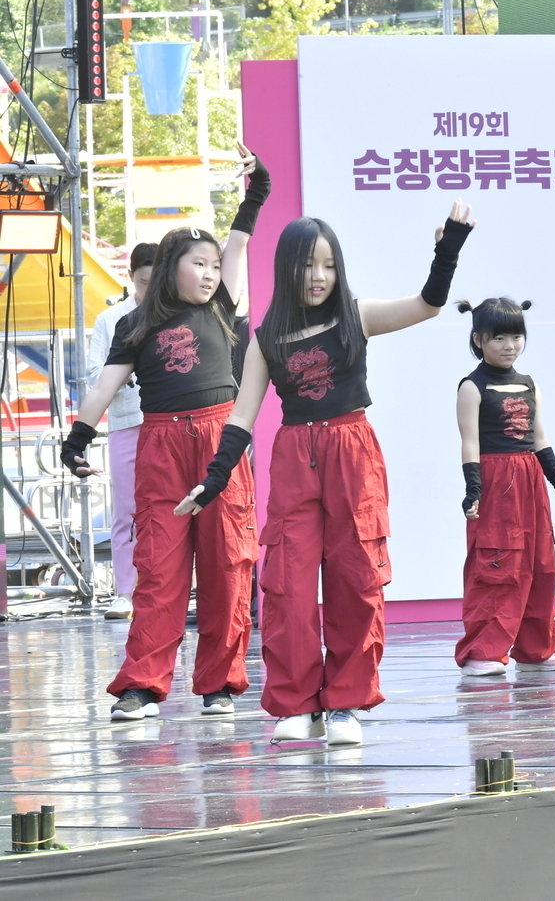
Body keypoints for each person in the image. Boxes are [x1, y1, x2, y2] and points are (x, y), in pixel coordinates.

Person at [174, 201, 475, 746]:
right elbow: (243, 414)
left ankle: (346, 702)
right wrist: (214, 478)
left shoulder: (355, 316)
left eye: (329, 265)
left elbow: (428, 305)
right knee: (287, 583)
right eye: (309, 265)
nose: (319, 277)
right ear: (288, 267)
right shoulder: (267, 338)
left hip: (352, 451)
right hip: (294, 457)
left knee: (357, 578)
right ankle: (295, 702)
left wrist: (448, 246)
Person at [60, 144, 269, 721]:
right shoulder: (135, 324)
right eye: (197, 264)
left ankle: (220, 684)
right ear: (171, 265)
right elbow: (104, 385)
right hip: (160, 446)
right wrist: (77, 437)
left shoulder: (224, 306)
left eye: (212, 265)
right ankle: (142, 684)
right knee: (159, 568)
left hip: (219, 442)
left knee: (228, 565)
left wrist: (255, 193)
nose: (208, 273)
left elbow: (241, 244)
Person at [456, 297, 555, 677]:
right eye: (499, 338)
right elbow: (470, 443)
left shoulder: (529, 384)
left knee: (541, 566)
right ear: (478, 339)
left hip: (530, 484)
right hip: (496, 485)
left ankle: (536, 649)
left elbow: (539, 439)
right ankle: (483, 652)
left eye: (516, 336)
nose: (510, 345)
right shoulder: (472, 387)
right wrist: (473, 490)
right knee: (497, 567)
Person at [86, 241, 157, 620]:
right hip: (128, 423)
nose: (150, 289)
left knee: (172, 508)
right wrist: (127, 375)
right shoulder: (110, 319)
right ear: (131, 277)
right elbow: (94, 375)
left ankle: (167, 587)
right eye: (144, 281)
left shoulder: (176, 314)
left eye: (156, 280)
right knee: (127, 510)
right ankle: (125, 590)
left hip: (169, 423)